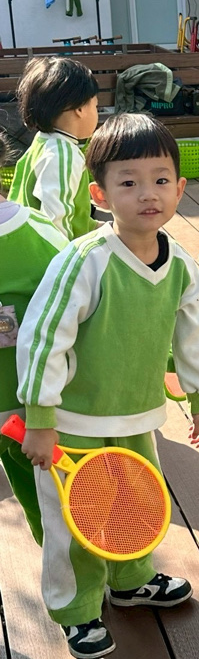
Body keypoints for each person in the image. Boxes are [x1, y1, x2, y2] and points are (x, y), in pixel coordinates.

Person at [16, 113, 199, 659]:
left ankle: (131, 582)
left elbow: (194, 333)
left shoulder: (181, 266)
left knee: (135, 505)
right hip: (72, 424)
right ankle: (77, 610)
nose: (148, 193)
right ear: (100, 194)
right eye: (129, 182)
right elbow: (42, 339)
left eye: (160, 179)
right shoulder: (85, 261)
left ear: (180, 187)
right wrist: (41, 419)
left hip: (137, 417)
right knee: (74, 521)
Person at [0, 131, 68, 545]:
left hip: (36, 411)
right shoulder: (39, 231)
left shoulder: (37, 232)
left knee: (55, 501)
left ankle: (73, 567)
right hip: (24, 409)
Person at [9, 56, 100, 239]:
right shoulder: (62, 155)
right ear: (80, 109)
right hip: (50, 251)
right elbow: (56, 221)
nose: (96, 112)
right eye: (96, 106)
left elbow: (77, 216)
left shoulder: (43, 141)